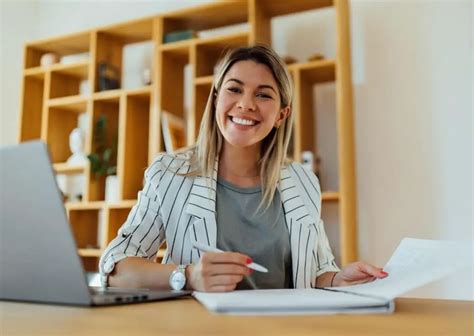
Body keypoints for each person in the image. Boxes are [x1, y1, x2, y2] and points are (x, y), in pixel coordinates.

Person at [99, 45, 388, 292]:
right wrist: (188, 276)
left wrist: (338, 279)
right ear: (215, 99)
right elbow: (114, 269)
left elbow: (316, 272)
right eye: (234, 89)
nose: (245, 104)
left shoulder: (303, 181)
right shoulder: (170, 173)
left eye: (263, 95)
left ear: (281, 115)